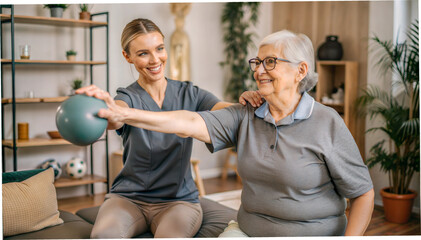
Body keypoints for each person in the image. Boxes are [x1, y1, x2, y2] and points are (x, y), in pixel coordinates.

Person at [78, 29, 374, 236]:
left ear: (300, 71)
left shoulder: (327, 121)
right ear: (128, 57)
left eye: (270, 62)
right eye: (257, 62)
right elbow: (190, 123)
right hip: (246, 229)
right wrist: (119, 114)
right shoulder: (246, 116)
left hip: (312, 232)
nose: (258, 70)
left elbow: (362, 192)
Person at [80, 18, 260, 238]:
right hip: (128, 199)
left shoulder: (190, 93)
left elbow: (228, 114)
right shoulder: (126, 97)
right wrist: (108, 112)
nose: (155, 59)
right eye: (143, 53)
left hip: (178, 201)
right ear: (127, 57)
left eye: (159, 49)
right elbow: (115, 118)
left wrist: (245, 101)